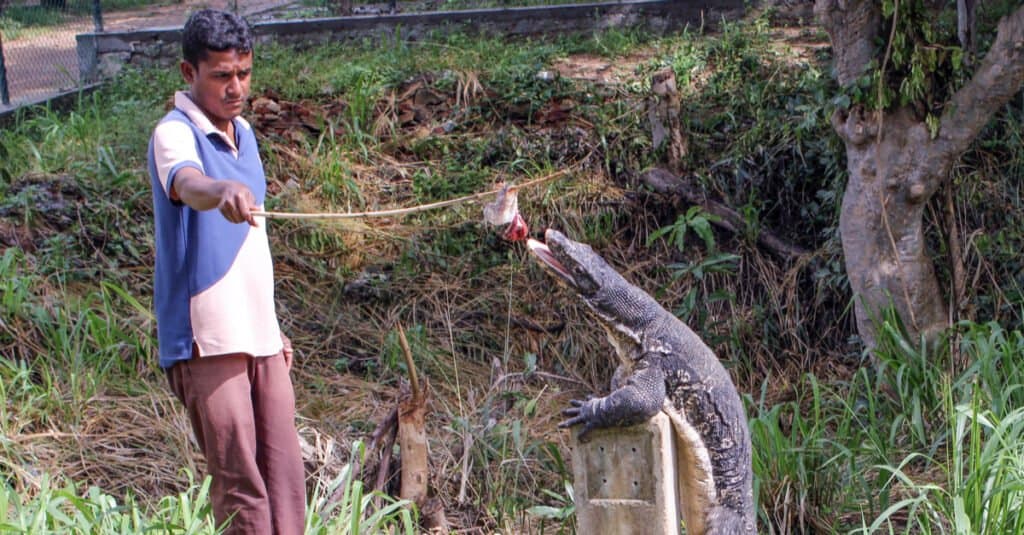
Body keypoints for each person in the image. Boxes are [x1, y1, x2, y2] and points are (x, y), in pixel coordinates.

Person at [146, 9, 305, 534]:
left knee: (286, 479)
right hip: (208, 339)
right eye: (221, 76)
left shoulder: (245, 134)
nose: (236, 87)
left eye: (244, 73)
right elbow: (188, 183)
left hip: (260, 336)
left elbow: (253, 249)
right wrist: (221, 191)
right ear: (188, 74)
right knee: (241, 487)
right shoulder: (174, 133)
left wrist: (273, 326)